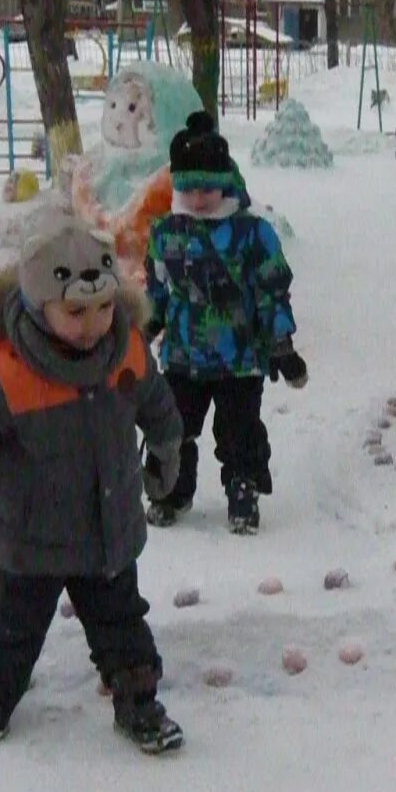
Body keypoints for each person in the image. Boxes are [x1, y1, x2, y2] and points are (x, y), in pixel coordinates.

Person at [0, 212, 185, 754]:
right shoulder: (4, 370)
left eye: (103, 307)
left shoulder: (124, 347)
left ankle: (138, 701)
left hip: (109, 532)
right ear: (37, 303)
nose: (93, 323)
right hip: (32, 539)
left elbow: (156, 401)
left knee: (123, 625)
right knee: (15, 628)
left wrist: (168, 447)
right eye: (75, 311)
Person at [144, 111, 305, 533]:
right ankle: (171, 492)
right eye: (188, 188)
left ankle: (243, 487)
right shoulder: (165, 233)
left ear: (226, 182)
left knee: (239, 431)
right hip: (182, 355)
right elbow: (156, 289)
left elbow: (272, 291)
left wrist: (282, 347)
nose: (199, 199)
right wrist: (142, 328)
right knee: (173, 427)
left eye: (208, 188)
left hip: (241, 356)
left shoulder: (252, 234)